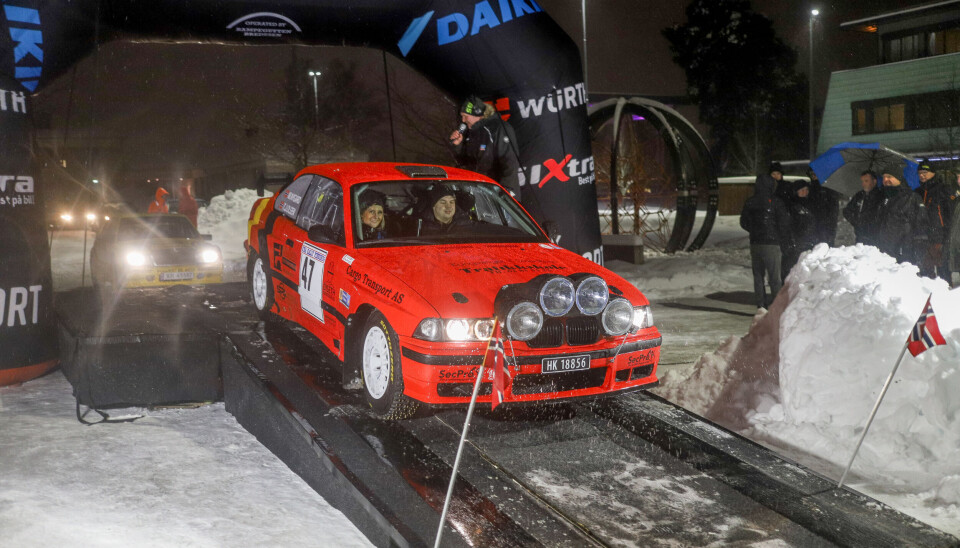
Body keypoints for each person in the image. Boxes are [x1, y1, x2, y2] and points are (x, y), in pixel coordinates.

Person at [740, 163, 793, 309]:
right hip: (772, 243)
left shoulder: (750, 201)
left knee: (758, 276)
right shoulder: (776, 202)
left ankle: (760, 304)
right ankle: (776, 307)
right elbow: (784, 223)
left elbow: (743, 222)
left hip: (755, 243)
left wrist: (755, 230)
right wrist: (779, 235)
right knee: (775, 277)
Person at [449, 95, 521, 196]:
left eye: (466, 116)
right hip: (480, 192)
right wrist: (458, 145)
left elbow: (510, 161)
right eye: (462, 116)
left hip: (499, 195)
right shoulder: (472, 133)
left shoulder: (498, 128)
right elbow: (466, 161)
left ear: (477, 114)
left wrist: (506, 191)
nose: (463, 120)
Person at [876, 165, 926, 267]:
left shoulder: (912, 197)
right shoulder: (882, 198)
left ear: (898, 178)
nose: (885, 180)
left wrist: (917, 249)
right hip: (884, 251)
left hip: (905, 251)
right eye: (884, 177)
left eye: (889, 176)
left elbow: (921, 224)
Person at [915, 160, 954, 280]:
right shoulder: (916, 193)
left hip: (940, 238)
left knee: (943, 271)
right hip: (922, 238)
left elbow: (951, 214)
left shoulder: (944, 190)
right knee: (926, 273)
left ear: (933, 173)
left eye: (925, 172)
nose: (922, 175)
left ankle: (946, 296)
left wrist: (947, 234)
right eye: (920, 173)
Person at [780, 179, 818, 279]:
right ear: (796, 192)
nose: (805, 192)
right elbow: (788, 226)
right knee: (791, 271)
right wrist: (792, 241)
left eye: (806, 189)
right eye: (801, 190)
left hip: (809, 243)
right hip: (795, 244)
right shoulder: (791, 206)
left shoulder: (812, 204)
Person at [842, 170, 883, 246]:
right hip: (860, 236)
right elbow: (847, 211)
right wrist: (856, 221)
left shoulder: (881, 196)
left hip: (876, 238)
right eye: (862, 181)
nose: (863, 184)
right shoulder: (860, 195)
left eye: (866, 181)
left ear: (874, 181)